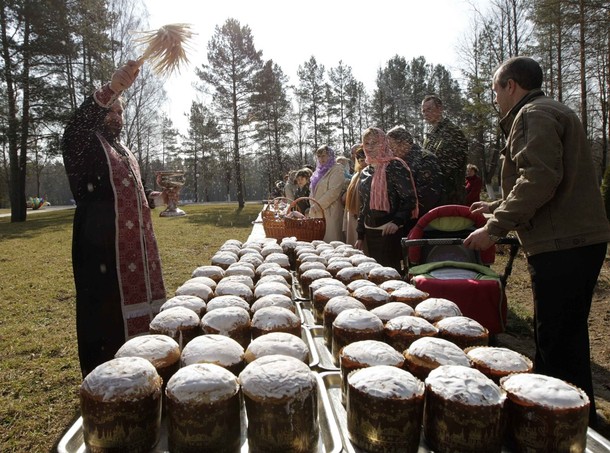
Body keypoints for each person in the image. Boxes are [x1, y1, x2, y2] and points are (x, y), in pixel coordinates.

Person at [463, 56, 610, 427]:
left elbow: (540, 180)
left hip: (562, 243)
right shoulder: (553, 110)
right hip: (576, 238)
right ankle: (578, 415)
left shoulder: (531, 115)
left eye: (496, 89)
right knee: (567, 336)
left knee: (555, 341)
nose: (495, 98)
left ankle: (554, 421)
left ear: (511, 85)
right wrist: (496, 204)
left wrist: (494, 226)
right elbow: (549, 179)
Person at [62, 60, 166, 377]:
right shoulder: (82, 143)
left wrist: (158, 199)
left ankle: (145, 366)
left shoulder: (122, 149)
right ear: (100, 109)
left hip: (136, 251)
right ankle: (110, 377)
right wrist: (113, 88)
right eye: (112, 110)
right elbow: (77, 124)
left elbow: (133, 194)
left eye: (121, 112)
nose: (117, 116)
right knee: (106, 318)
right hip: (102, 249)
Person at [355, 127, 418, 272]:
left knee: (391, 273)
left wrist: (397, 221)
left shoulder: (395, 166)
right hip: (371, 232)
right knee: (374, 273)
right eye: (366, 143)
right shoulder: (365, 172)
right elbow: (364, 205)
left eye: (374, 143)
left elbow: (409, 199)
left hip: (390, 232)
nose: (370, 147)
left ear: (383, 143)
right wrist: (360, 234)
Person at [387, 125, 443, 234]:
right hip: (405, 220)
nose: (391, 151)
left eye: (392, 146)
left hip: (424, 223)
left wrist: (402, 215)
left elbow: (426, 197)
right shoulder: (399, 162)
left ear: (404, 143)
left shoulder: (426, 159)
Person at [421, 94, 469, 205]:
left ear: (440, 109)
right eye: (423, 111)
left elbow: (448, 168)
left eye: (429, 109)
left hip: (450, 198)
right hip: (434, 197)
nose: (425, 114)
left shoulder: (453, 132)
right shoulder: (430, 136)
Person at [309, 145, 346, 242]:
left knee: (331, 244)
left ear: (330, 156)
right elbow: (312, 192)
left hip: (330, 212)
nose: (322, 159)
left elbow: (333, 191)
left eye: (324, 155)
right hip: (317, 213)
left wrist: (317, 205)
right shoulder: (317, 172)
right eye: (319, 156)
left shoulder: (337, 169)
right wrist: (312, 205)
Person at [343, 144, 367, 247]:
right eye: (359, 160)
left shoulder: (368, 174)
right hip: (352, 216)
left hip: (361, 216)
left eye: (363, 159)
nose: (362, 162)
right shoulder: (356, 174)